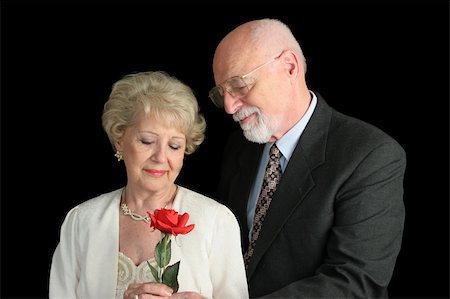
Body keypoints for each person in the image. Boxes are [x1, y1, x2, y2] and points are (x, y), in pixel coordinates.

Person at [209, 18, 406, 298]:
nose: (229, 107)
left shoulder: (371, 155)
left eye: (239, 86)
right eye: (221, 94)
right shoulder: (240, 147)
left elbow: (355, 283)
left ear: (290, 67)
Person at [49, 71, 249, 299]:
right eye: (147, 141)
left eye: (174, 146)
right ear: (119, 141)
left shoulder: (217, 221)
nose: (160, 157)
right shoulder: (81, 221)